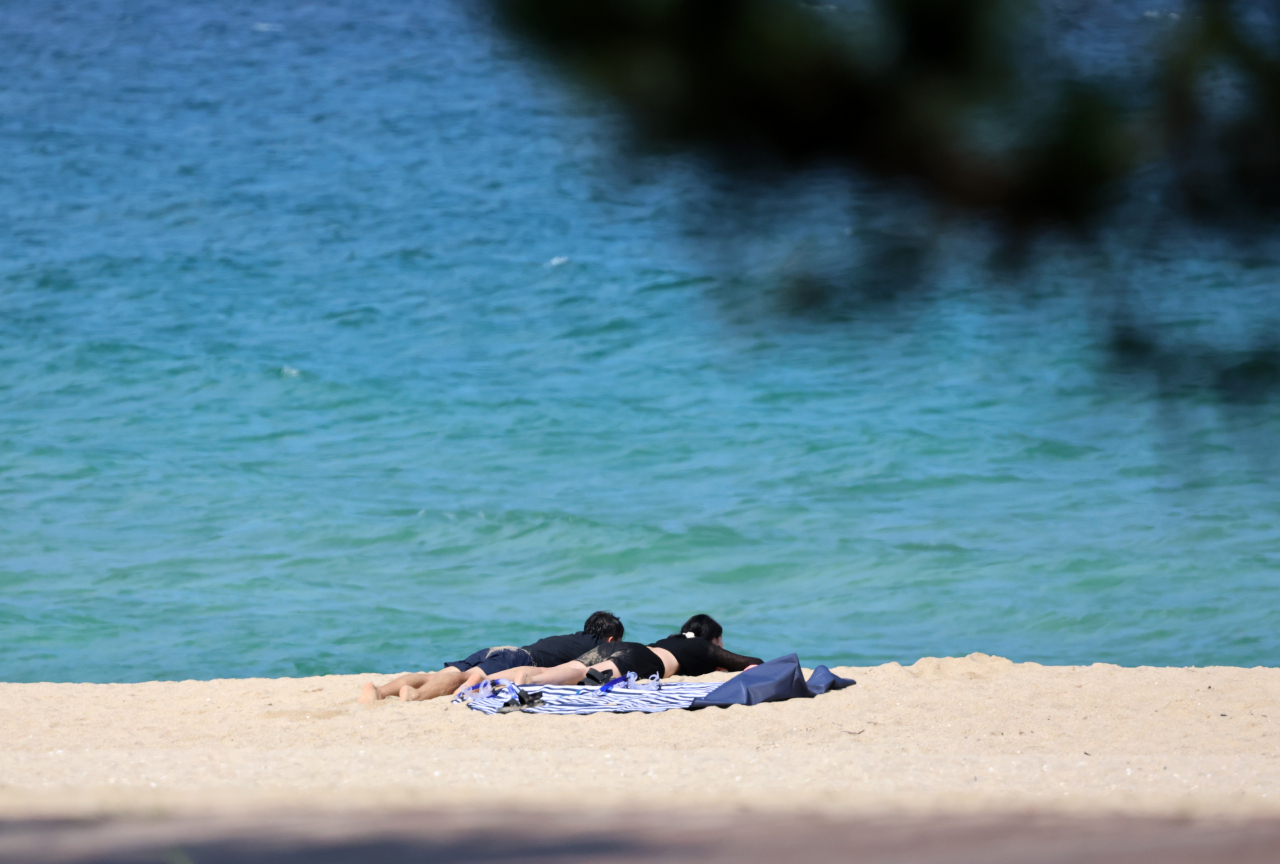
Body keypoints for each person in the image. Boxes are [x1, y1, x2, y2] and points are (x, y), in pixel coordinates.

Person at [357, 611, 625, 703]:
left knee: (443, 675)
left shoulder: (572, 636)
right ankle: (416, 696)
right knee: (463, 679)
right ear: (611, 640)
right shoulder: (597, 649)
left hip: (499, 649)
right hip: (517, 659)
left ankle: (380, 691)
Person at [484, 613, 761, 688]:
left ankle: (495, 679)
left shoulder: (669, 640)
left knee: (568, 670)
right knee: (587, 676)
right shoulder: (703, 648)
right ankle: (529, 682)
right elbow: (751, 662)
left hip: (624, 648)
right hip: (640, 659)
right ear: (714, 639)